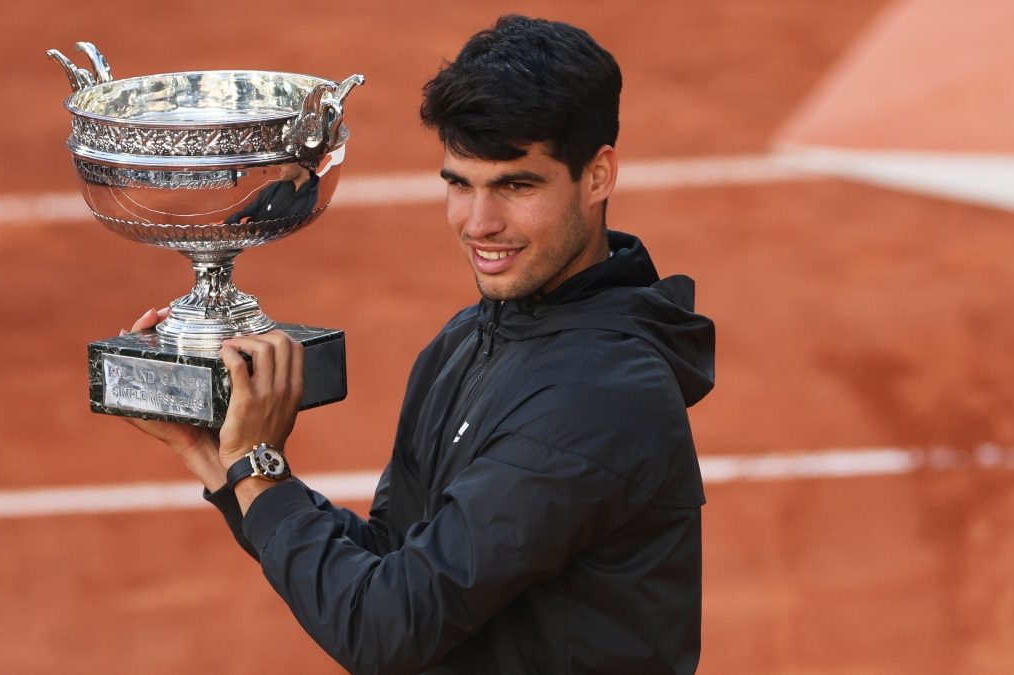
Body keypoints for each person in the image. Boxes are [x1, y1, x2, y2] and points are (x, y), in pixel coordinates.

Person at [128, 15, 715, 675]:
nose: (480, 223)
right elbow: (391, 558)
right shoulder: (471, 338)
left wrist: (260, 467)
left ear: (598, 175)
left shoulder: (599, 398)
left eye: (516, 185)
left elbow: (387, 626)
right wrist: (222, 464)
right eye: (459, 183)